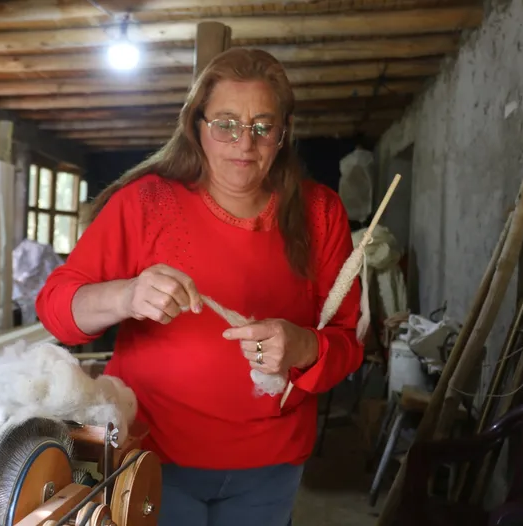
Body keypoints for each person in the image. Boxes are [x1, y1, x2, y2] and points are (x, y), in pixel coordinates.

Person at [35, 47, 363, 526]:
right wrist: (126, 295)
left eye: (262, 127)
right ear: (197, 127)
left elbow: (348, 342)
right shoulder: (146, 203)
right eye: (226, 124)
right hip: (150, 452)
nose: (244, 143)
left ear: (284, 132)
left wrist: (304, 346)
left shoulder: (320, 212)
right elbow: (56, 310)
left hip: (270, 465)